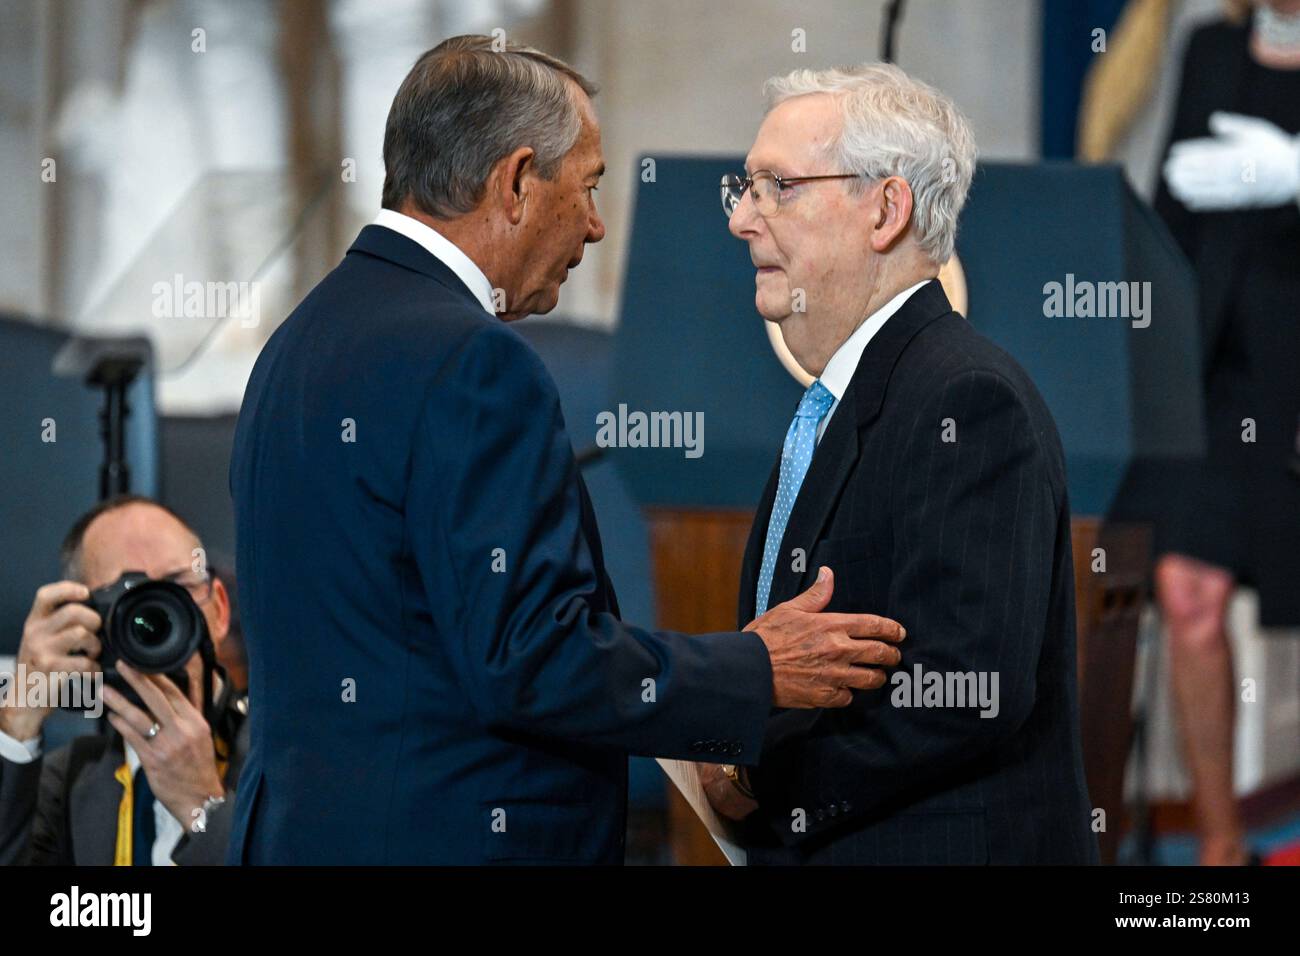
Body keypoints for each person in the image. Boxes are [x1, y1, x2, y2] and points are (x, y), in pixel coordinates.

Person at [227, 35, 905, 865]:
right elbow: (529, 658)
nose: (595, 224)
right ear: (516, 182)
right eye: (586, 187)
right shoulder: (474, 360)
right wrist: (755, 669)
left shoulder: (298, 342)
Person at [701, 62, 1099, 864]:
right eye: (743, 187)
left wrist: (754, 778)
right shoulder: (844, 396)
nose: (742, 218)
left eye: (778, 187)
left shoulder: (968, 399)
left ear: (886, 210)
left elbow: (966, 693)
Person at [1151, 0, 1300, 866]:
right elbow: (1171, 210)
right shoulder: (1210, 45)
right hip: (1219, 376)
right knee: (1187, 593)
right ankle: (1220, 847)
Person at [0, 495, 248, 865]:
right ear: (79, 621)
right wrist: (17, 723)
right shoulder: (69, 781)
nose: (156, 616)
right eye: (127, 597)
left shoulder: (285, 763)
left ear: (221, 609)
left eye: (177, 586)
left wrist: (202, 807)